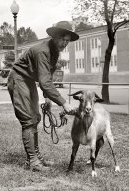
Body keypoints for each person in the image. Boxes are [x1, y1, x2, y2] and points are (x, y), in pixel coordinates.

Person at [7, 21, 79, 171]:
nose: (65, 43)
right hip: (19, 78)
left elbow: (47, 77)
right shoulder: (43, 51)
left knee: (35, 118)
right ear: (54, 37)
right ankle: (32, 161)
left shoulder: (54, 51)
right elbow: (45, 82)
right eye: (62, 39)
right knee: (28, 120)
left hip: (28, 80)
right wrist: (63, 103)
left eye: (67, 40)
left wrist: (47, 98)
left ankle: (36, 157)